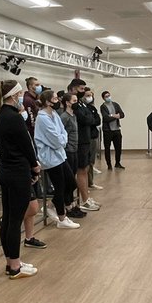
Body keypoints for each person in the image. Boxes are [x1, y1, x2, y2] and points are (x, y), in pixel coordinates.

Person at [0, 80, 40, 278]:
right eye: (20, 94)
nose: (22, 97)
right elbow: (26, 145)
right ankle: (15, 266)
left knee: (9, 218)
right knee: (14, 221)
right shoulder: (14, 118)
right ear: (13, 96)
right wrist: (35, 166)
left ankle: (10, 261)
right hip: (18, 172)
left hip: (6, 171)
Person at [34, 90, 80, 229]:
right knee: (60, 186)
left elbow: (63, 132)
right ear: (48, 102)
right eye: (54, 99)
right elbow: (55, 140)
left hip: (60, 155)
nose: (57, 101)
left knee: (71, 183)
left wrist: (62, 139)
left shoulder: (54, 114)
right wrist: (62, 140)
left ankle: (51, 205)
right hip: (50, 158)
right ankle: (62, 218)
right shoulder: (42, 118)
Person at [57, 91, 86, 219]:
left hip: (74, 150)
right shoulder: (64, 117)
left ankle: (72, 204)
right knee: (69, 181)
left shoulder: (73, 115)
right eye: (74, 101)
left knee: (72, 178)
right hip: (68, 150)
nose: (76, 103)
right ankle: (67, 205)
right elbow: (60, 133)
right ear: (67, 103)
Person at [73, 86, 102, 210]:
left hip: (87, 140)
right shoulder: (76, 108)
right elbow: (86, 119)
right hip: (79, 142)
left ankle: (86, 198)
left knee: (85, 168)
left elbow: (94, 119)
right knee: (81, 170)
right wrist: (90, 119)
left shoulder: (85, 106)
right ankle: (83, 200)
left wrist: (90, 119)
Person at [99, 90, 126, 170]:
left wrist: (111, 115)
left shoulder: (115, 104)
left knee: (118, 148)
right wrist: (116, 116)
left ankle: (117, 163)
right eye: (106, 96)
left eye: (109, 95)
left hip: (116, 129)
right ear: (103, 98)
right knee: (107, 148)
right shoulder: (103, 106)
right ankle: (109, 164)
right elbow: (106, 118)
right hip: (107, 130)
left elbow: (122, 114)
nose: (108, 97)